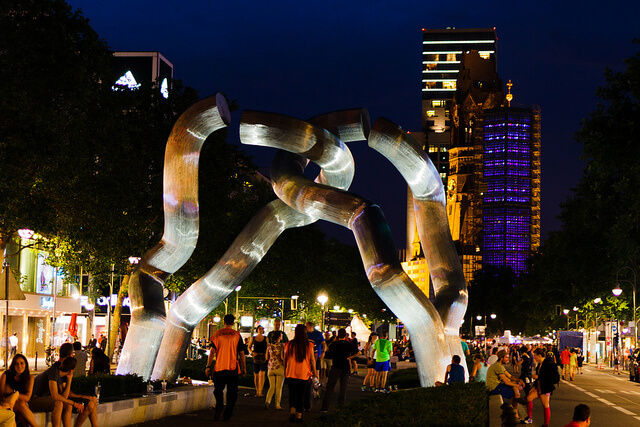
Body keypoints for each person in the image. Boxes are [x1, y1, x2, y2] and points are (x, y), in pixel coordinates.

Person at [30, 357, 98, 427]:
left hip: (46, 398)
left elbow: (64, 397)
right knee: (58, 404)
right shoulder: (53, 372)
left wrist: (69, 380)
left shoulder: (60, 374)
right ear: (71, 370)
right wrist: (74, 403)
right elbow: (55, 395)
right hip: (34, 399)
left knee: (68, 406)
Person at [206, 314, 245, 421]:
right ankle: (228, 412)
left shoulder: (217, 334)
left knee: (218, 390)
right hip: (232, 368)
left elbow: (212, 351)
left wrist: (208, 366)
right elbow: (241, 353)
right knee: (232, 392)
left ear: (224, 322)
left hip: (219, 367)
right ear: (233, 322)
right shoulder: (237, 335)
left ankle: (219, 405)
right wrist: (244, 367)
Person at [285, 324, 317, 423]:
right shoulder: (309, 345)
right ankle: (299, 416)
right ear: (305, 333)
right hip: (303, 374)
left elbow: (285, 359)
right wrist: (315, 372)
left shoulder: (289, 344)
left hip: (291, 372)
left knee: (292, 394)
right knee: (301, 395)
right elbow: (312, 360)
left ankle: (292, 412)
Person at [518, 347, 558, 426]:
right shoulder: (540, 364)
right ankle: (529, 418)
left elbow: (548, 377)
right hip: (539, 387)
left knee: (545, 405)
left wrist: (538, 377)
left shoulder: (547, 364)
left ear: (540, 355)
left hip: (545, 388)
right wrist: (534, 386)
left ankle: (546, 424)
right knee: (529, 398)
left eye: (535, 355)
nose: (534, 357)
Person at [320, 328, 358, 411]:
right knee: (343, 388)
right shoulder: (349, 344)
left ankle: (325, 407)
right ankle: (341, 406)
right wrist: (349, 357)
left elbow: (327, 349)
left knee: (330, 387)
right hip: (345, 367)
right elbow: (358, 352)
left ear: (337, 335)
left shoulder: (335, 344)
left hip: (336, 366)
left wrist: (334, 340)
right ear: (345, 335)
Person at [0, 354, 39, 427]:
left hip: (22, 405)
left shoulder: (29, 378)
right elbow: (1, 394)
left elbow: (27, 398)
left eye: (22, 363)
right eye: (16, 364)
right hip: (7, 403)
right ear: (13, 365)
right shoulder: (5, 375)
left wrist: (14, 393)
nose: (19, 366)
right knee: (20, 406)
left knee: (21, 412)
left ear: (25, 364)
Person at [486, 350, 526, 415]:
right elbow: (506, 382)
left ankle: (517, 398)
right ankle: (515, 413)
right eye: (506, 357)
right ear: (501, 358)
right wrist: (517, 386)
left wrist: (519, 380)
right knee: (514, 391)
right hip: (493, 388)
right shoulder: (498, 366)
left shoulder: (500, 365)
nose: (508, 359)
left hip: (497, 385)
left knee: (514, 385)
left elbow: (510, 376)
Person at [264, 331, 285, 410]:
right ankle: (277, 405)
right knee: (278, 388)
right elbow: (282, 357)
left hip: (270, 368)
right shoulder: (281, 346)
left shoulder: (269, 346)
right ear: (279, 337)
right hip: (279, 368)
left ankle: (267, 401)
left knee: (271, 387)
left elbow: (267, 358)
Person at [248, 325, 267, 397]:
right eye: (259, 329)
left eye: (262, 329)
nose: (261, 330)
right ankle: (257, 390)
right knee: (256, 375)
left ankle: (260, 391)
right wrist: (251, 352)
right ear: (257, 329)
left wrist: (266, 356)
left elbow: (267, 347)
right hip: (255, 357)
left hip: (263, 357)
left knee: (262, 374)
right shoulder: (253, 338)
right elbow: (249, 347)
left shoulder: (266, 338)